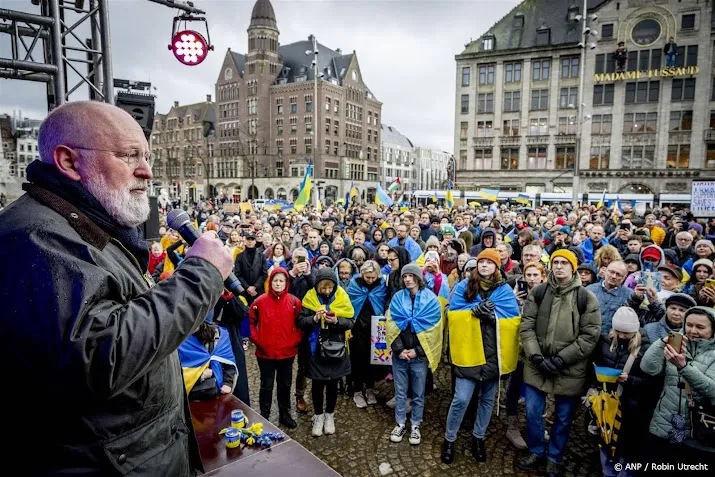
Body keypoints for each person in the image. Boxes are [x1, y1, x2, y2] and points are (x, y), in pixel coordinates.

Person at [0, 101, 235, 475]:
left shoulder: (84, 226)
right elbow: (97, 356)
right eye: (129, 156)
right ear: (68, 161)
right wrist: (201, 275)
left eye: (147, 156)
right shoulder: (35, 237)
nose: (146, 171)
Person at [518, 249, 601, 477]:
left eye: (565, 262)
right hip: (538, 364)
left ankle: (554, 455)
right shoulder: (539, 292)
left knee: (563, 418)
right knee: (533, 412)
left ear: (573, 267)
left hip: (570, 368)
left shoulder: (586, 298)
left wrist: (561, 359)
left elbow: (589, 335)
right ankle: (536, 449)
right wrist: (535, 355)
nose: (559, 266)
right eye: (556, 262)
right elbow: (527, 326)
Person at [442, 248, 521, 464]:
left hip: (494, 355)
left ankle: (479, 437)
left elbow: (513, 320)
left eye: (489, 262)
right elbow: (452, 314)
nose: (484, 265)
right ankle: (449, 439)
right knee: (461, 399)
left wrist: (494, 318)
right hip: (469, 353)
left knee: (487, 400)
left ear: (497, 266)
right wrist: (473, 312)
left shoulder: (504, 291)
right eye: (481, 262)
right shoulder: (463, 287)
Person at [640, 306, 715, 464]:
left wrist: (683, 367)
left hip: (698, 431)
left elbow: (711, 389)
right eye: (689, 325)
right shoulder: (678, 344)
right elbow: (648, 368)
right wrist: (662, 343)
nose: (693, 331)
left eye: (700, 327)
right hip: (664, 422)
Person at [590, 307, 652, 476]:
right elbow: (595, 365)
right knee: (606, 440)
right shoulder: (605, 341)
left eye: (627, 333)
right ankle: (607, 472)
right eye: (619, 331)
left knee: (627, 446)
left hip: (631, 406)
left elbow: (651, 382)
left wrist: (630, 380)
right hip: (607, 402)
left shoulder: (646, 349)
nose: (623, 336)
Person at [387, 263, 443, 446]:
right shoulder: (397, 298)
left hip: (419, 357)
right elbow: (391, 324)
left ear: (419, 278)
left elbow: (433, 330)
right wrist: (399, 350)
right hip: (400, 355)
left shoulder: (431, 300)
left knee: (418, 393)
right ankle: (400, 423)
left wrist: (417, 351)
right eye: (405, 276)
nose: (408, 279)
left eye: (411, 275)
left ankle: (416, 425)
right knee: (400, 391)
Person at [297, 268, 355, 437]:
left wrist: (336, 320)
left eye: (330, 287)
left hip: (336, 346)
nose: (327, 291)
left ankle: (330, 415)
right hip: (316, 348)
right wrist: (314, 319)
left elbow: (351, 321)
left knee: (332, 383)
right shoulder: (309, 297)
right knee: (317, 383)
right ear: (317, 286)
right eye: (323, 288)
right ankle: (318, 415)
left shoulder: (342, 296)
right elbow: (301, 321)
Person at [249, 268, 303, 428]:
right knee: (266, 384)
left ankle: (284, 414)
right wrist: (257, 339)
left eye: (281, 281)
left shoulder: (294, 302)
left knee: (285, 384)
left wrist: (295, 340)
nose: (278, 283)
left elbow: (300, 324)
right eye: (275, 280)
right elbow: (250, 322)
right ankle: (264, 415)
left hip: (287, 352)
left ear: (286, 283)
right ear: (270, 282)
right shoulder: (260, 301)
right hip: (265, 353)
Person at [346, 261, 387, 408]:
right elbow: (349, 304)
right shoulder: (354, 284)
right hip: (357, 327)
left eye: (373, 277)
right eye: (367, 277)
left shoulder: (381, 284)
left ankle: (370, 388)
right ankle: (357, 390)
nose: (370, 280)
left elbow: (382, 301)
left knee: (373, 359)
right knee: (358, 358)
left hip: (375, 327)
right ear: (362, 274)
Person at [179, 312, 237, 401]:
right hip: (188, 396)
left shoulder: (220, 335)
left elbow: (229, 363)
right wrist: (200, 376)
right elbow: (176, 373)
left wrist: (227, 383)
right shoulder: (180, 339)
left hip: (217, 392)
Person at [587, 261, 633, 333]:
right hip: (589, 335)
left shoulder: (630, 295)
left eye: (618, 274)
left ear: (624, 278)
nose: (614, 276)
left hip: (612, 339)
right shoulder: (589, 290)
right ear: (605, 271)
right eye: (611, 272)